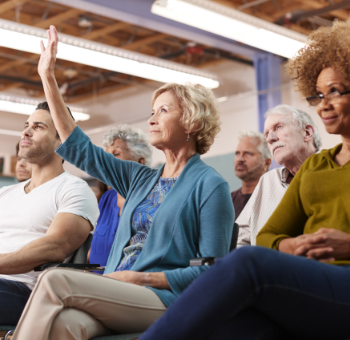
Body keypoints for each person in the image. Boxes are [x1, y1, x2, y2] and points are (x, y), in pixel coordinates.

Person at [12, 25, 234, 340]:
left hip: (167, 300)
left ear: (192, 122)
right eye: (152, 111)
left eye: (163, 111)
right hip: (119, 289)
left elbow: (213, 273)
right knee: (65, 325)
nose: (152, 119)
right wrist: (47, 77)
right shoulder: (138, 178)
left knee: (54, 279)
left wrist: (146, 279)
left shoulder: (210, 185)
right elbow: (79, 146)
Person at [135, 19, 350, 340]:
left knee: (246, 262)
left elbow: (256, 253)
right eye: (317, 96)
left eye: (334, 91)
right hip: (309, 284)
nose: (324, 105)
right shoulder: (315, 167)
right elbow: (269, 236)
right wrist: (292, 245)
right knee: (229, 328)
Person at [0, 101, 99, 326]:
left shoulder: (74, 189)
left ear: (61, 141)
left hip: (29, 293)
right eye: (26, 125)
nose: (26, 131)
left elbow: (55, 246)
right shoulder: (5, 193)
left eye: (38, 127)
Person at [237, 105, 321, 246]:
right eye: (267, 133)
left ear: (307, 132)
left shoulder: (334, 169)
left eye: (278, 127)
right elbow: (240, 237)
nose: (270, 139)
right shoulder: (268, 181)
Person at [88, 124, 153, 272]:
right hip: (94, 280)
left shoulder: (150, 200)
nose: (108, 162)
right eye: (106, 156)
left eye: (116, 154)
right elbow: (94, 248)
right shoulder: (107, 198)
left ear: (140, 162)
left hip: (124, 285)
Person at [231, 131, 271, 219]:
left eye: (248, 153)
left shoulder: (275, 197)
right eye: (237, 153)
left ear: (266, 163)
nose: (240, 159)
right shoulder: (228, 200)